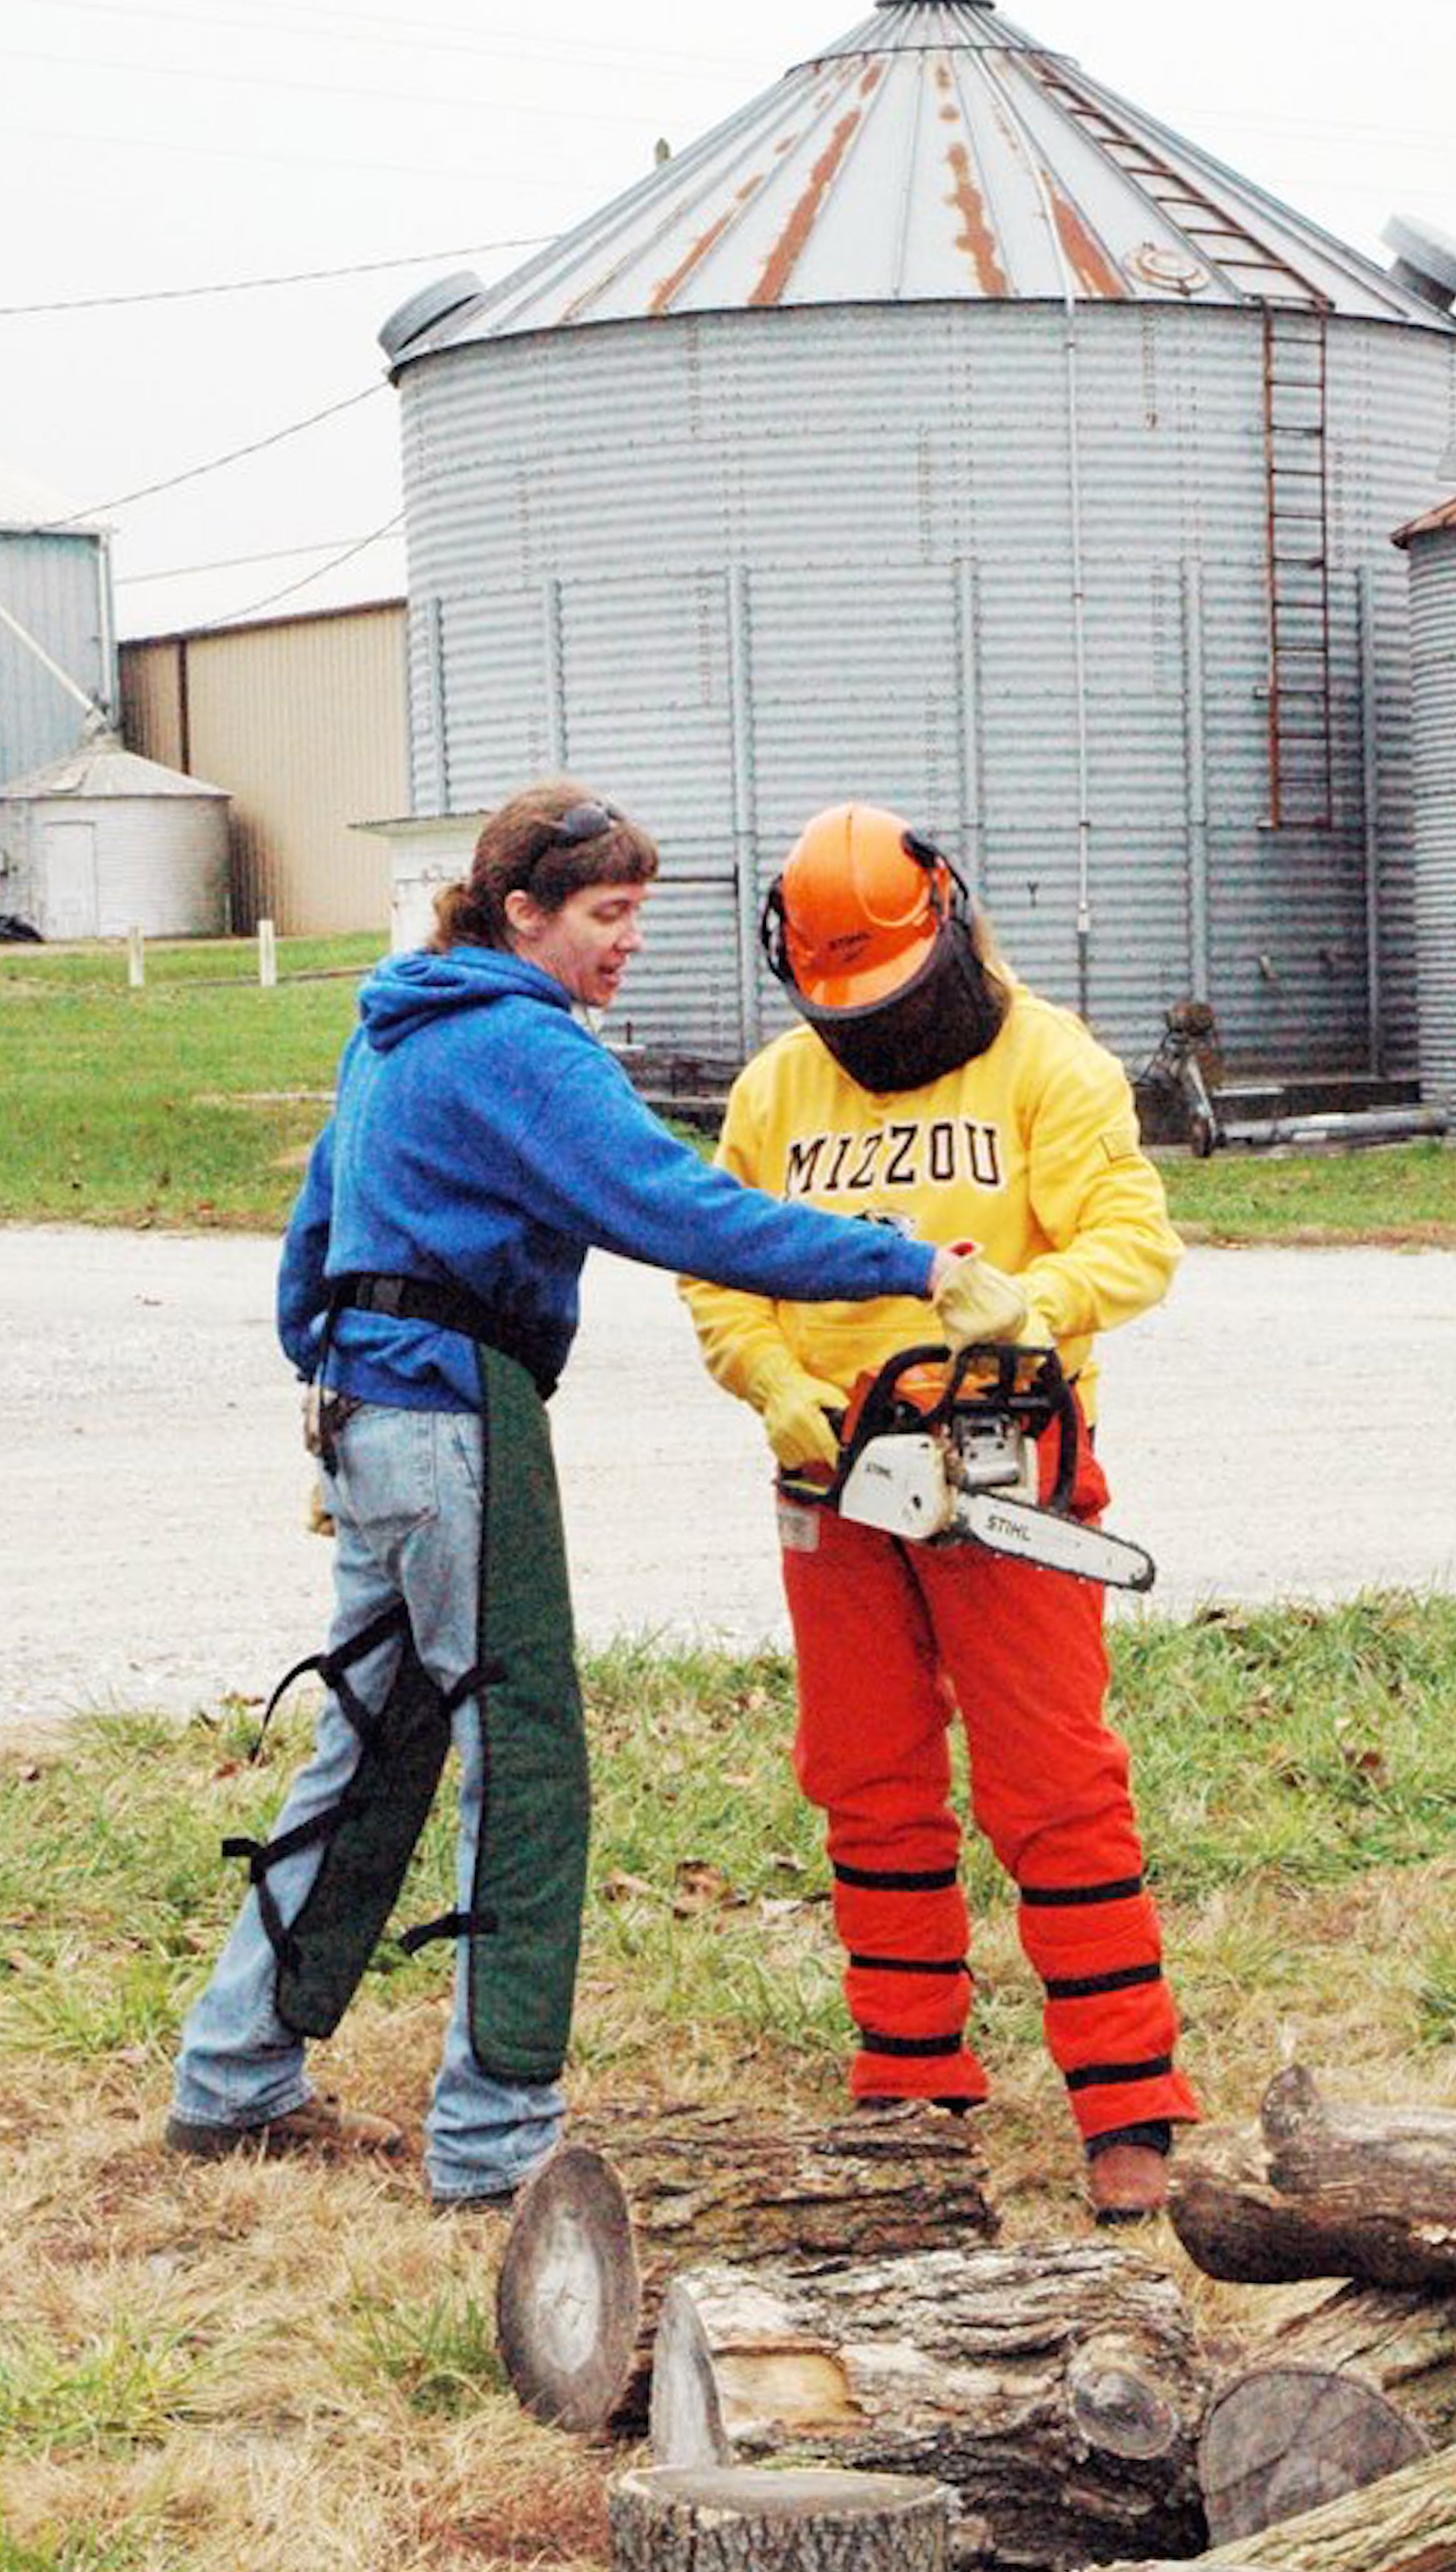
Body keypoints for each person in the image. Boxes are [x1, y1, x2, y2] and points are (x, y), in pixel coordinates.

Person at [165, 780, 1005, 2210]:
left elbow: (317, 1224)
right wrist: (905, 1260)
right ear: (522, 913)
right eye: (609, 916)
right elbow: (674, 1210)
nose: (628, 945)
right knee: (527, 1753)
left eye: (640, 916)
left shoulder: (400, 1024)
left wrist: (332, 1389)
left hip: (375, 1407)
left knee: (368, 1746)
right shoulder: (519, 1043)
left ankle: (232, 2074)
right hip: (456, 1413)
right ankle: (495, 2137)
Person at [681, 804, 1200, 2220]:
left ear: (948, 932)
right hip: (828, 1462)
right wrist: (770, 1379)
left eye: (891, 995)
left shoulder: (1051, 1061)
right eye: (844, 1000)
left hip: (1002, 1451)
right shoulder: (778, 1090)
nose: (871, 1024)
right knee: (866, 1767)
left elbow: (1135, 1239)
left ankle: (1127, 2093)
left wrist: (1041, 1303)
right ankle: (909, 2078)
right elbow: (712, 1260)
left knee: (1052, 1775)